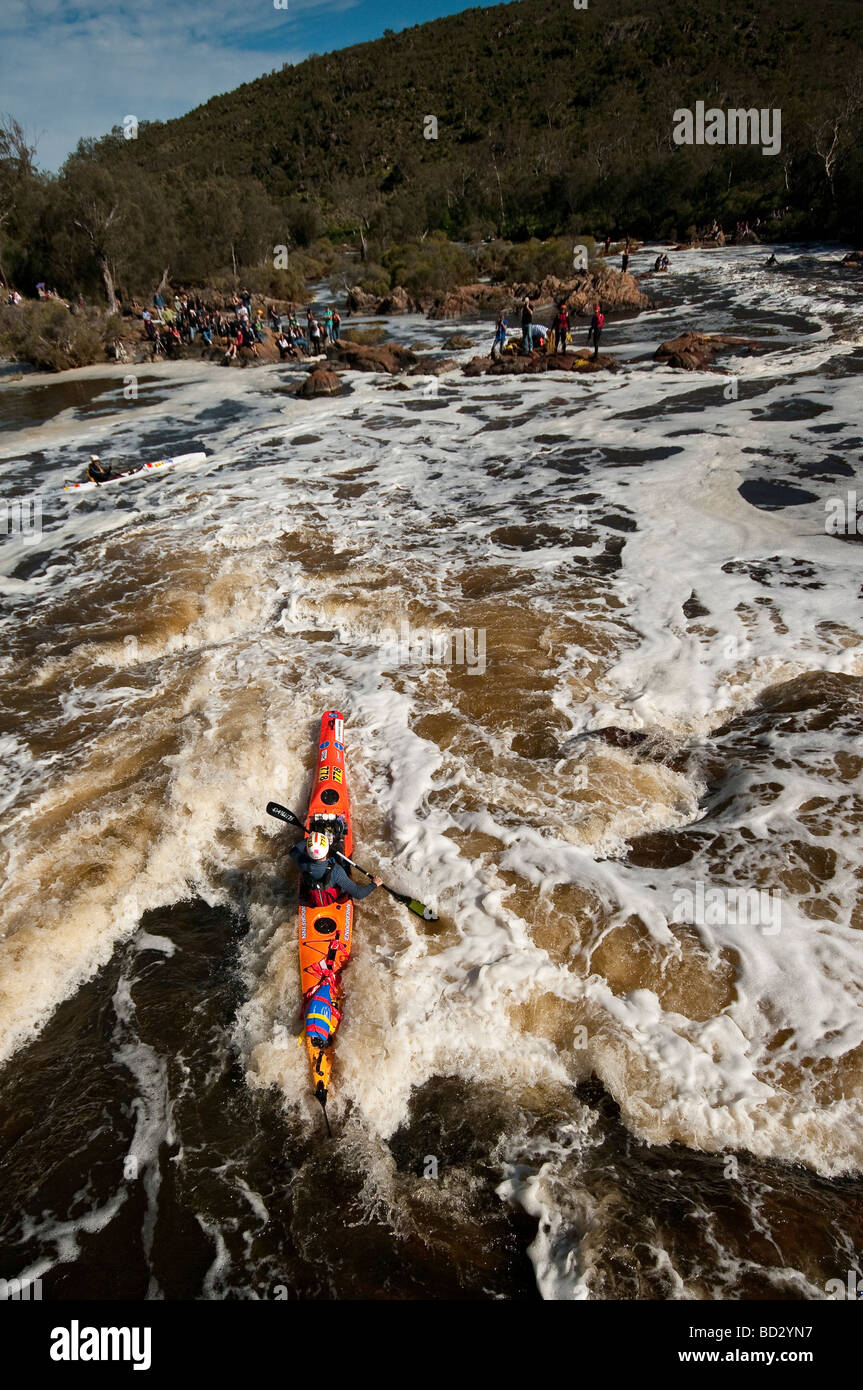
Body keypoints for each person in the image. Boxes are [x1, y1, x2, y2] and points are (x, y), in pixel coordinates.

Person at [290, 827, 382, 905]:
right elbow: (359, 894)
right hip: (333, 899)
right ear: (327, 850)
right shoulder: (336, 871)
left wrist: (310, 839)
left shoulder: (302, 863)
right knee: (339, 850)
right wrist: (374, 884)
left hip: (312, 896)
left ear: (307, 851)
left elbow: (293, 851)